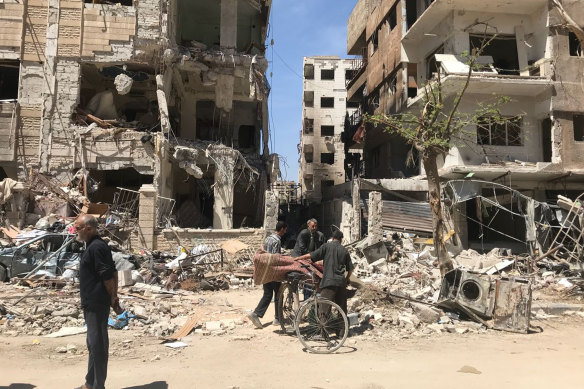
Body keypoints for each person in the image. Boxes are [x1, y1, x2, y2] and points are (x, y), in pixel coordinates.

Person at [75, 215, 123, 389]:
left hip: (97, 303)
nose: (75, 231)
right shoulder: (93, 246)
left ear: (89, 228)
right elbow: (114, 271)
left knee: (98, 345)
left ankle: (98, 385)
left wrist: (113, 298)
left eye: (78, 227)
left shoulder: (97, 247)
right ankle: (90, 383)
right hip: (91, 303)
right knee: (93, 343)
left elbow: (108, 276)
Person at [294, 230, 353, 314]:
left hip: (328, 282)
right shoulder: (344, 250)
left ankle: (324, 327)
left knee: (324, 309)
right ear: (341, 239)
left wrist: (298, 258)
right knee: (342, 309)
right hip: (340, 282)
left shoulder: (326, 246)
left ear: (332, 238)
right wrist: (347, 279)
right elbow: (350, 269)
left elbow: (312, 255)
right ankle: (342, 326)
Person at [248, 221, 288, 329]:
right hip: (273, 272)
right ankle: (277, 318)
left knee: (268, 294)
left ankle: (256, 314)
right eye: (285, 229)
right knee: (279, 294)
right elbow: (275, 258)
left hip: (266, 271)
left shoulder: (268, 238)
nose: (285, 232)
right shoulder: (277, 241)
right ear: (282, 229)